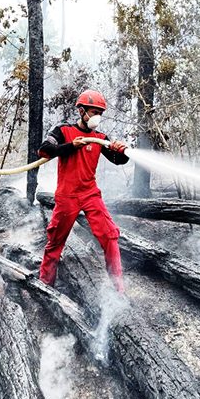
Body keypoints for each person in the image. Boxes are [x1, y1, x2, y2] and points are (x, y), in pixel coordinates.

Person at [37, 89, 129, 292]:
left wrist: (121, 151)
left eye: (100, 113)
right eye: (94, 112)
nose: (97, 117)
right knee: (55, 241)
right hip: (67, 196)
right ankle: (45, 285)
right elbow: (44, 150)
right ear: (81, 111)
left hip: (90, 194)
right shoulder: (63, 130)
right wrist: (72, 146)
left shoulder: (100, 137)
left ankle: (118, 290)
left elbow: (117, 160)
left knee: (110, 236)